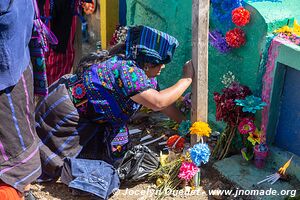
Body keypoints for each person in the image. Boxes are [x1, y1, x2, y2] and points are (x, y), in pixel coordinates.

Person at [35, 25, 194, 180]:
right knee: (47, 162)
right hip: (64, 112)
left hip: (82, 113)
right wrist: (186, 79)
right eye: (160, 62)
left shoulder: (141, 73)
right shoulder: (127, 70)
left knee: (92, 163)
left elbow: (162, 103)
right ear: (147, 62)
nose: (164, 66)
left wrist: (187, 125)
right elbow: (158, 102)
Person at [0, 0, 41, 199]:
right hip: (4, 79)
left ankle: (22, 188)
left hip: (17, 62)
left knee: (22, 136)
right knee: (9, 152)